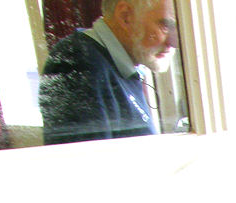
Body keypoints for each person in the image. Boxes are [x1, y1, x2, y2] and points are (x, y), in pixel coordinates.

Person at [39, 0, 178, 145]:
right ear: (125, 16)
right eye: (166, 25)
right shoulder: (78, 62)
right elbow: (89, 157)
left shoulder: (115, 64)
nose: (174, 42)